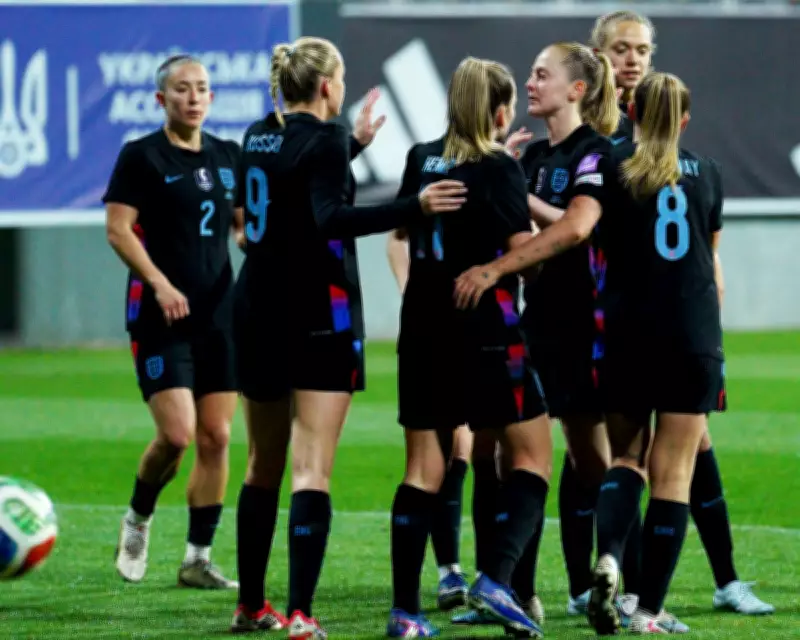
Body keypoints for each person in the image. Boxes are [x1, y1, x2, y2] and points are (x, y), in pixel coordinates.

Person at [454, 70, 733, 634]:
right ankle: (648, 609)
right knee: (673, 474)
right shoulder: (709, 173)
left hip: (627, 336)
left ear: (629, 112)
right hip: (693, 335)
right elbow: (710, 259)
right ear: (683, 119)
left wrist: (499, 262)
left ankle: (607, 556)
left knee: (624, 459)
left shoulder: (610, 163)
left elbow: (577, 229)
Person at [229, 37, 467, 638]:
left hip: (255, 308)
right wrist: (414, 206)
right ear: (329, 86)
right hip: (317, 312)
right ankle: (303, 612)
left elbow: (288, 192)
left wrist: (353, 146)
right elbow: (328, 219)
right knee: (312, 468)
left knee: (262, 465)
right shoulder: (326, 140)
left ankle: (252, 604)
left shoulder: (258, 134)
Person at [591, 10, 774, 620]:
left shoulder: (609, 154)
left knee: (644, 454)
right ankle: (641, 598)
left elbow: (579, 229)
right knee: (656, 459)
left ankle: (679, 575)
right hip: (675, 327)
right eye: (621, 49)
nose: (633, 59)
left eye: (641, 49)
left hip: (625, 322)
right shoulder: (691, 167)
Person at [387, 56, 552, 639]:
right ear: (501, 110)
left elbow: (402, 234)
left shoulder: (419, 158)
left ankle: (405, 612)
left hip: (422, 332)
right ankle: (497, 578)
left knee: (422, 470)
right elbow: (525, 256)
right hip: (489, 331)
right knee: (533, 459)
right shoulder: (499, 168)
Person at [104, 54, 240, 590]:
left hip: (218, 315)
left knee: (217, 435)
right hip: (160, 316)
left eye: (202, 88)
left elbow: (242, 225)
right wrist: (159, 283)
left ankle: (197, 559)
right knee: (178, 435)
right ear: (161, 99)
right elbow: (118, 230)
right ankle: (138, 517)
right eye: (182, 89)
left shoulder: (228, 156)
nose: (194, 97)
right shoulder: (141, 156)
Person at [387, 230, 474, 611]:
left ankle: (481, 575)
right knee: (452, 453)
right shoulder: (433, 171)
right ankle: (449, 570)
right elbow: (397, 237)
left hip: (475, 318)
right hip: (438, 324)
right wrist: (410, 287)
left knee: (466, 455)